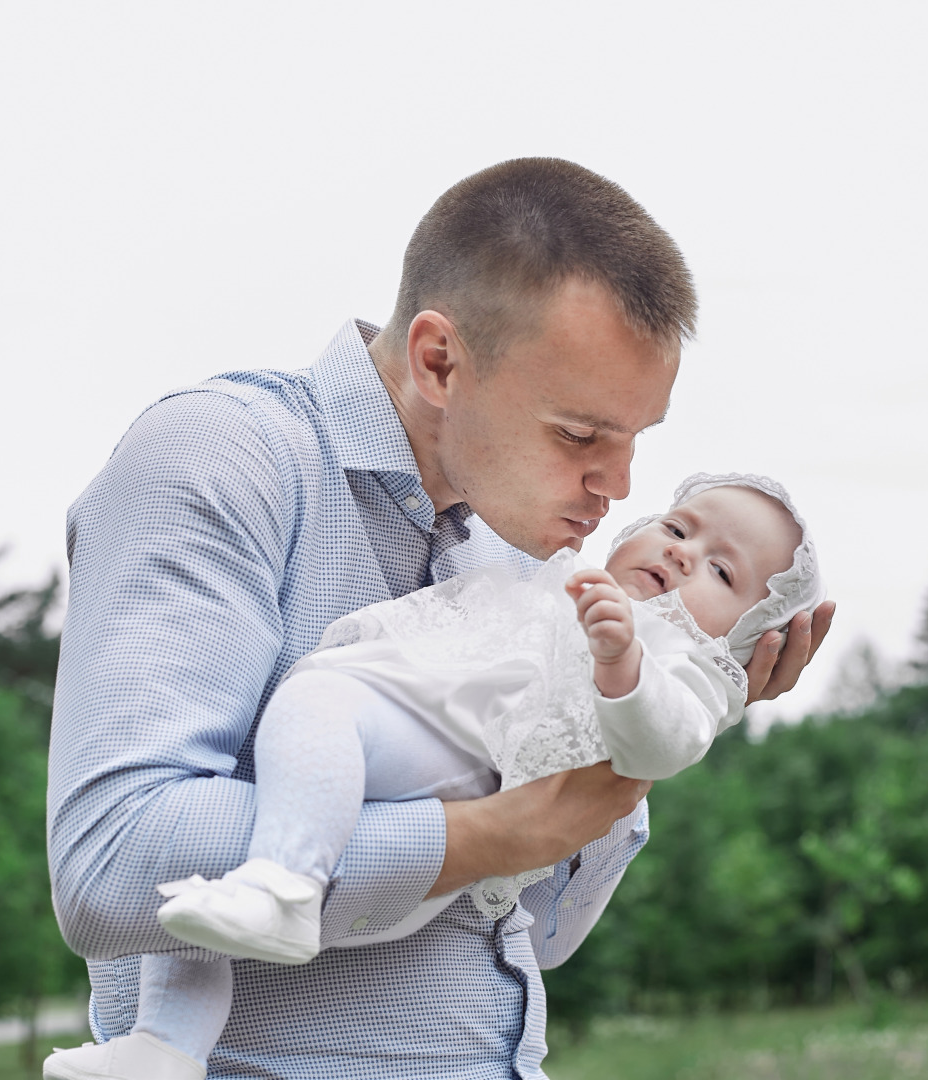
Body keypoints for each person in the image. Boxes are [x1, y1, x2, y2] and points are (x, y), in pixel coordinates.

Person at [45, 158, 835, 1080]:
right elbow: (112, 862)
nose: (618, 488)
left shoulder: (529, 561)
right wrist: (499, 832)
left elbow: (532, 940)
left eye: (635, 443)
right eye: (581, 436)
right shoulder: (223, 460)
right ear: (439, 361)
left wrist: (661, 708)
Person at [43, 474, 824, 1079]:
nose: (683, 551)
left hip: (439, 776)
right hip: (403, 756)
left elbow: (551, 925)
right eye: (678, 526)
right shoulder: (546, 574)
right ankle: (164, 1046)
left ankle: (288, 880)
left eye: (721, 571)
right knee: (206, 907)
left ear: (749, 636)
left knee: (310, 724)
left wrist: (635, 674)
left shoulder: (680, 666)